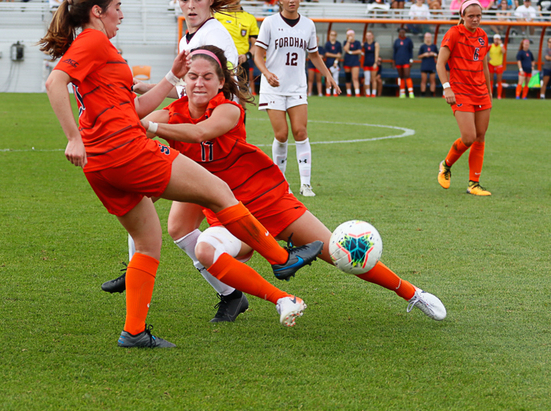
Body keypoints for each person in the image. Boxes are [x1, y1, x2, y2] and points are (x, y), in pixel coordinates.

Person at [44, 0, 322, 347]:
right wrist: (72, 137)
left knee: (147, 242)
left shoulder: (97, 47)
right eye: (117, 7)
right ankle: (280, 258)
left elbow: (134, 109)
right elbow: (54, 82)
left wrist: (173, 77)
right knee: (219, 191)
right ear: (98, 11)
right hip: (126, 151)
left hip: (101, 164)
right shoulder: (93, 41)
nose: (122, 14)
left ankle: (134, 333)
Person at [142, 46, 445, 326]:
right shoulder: (172, 113)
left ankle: (411, 292)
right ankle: (279, 299)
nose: (199, 83)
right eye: (192, 76)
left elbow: (199, 132)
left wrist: (151, 127)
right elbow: (133, 120)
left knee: (339, 252)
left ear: (221, 83)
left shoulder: (228, 110)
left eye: (208, 77)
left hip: (268, 200)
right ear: (183, 79)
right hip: (229, 212)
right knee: (205, 249)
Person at [253, 0, 340, 198]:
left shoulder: (308, 25)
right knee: (281, 135)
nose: (292, 0)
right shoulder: (269, 23)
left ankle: (306, 184)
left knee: (300, 132)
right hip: (273, 87)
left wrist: (328, 75)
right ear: (280, 0)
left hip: (297, 86)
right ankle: (281, 184)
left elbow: (313, 55)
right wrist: (266, 72)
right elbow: (257, 54)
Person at [436, 0, 492, 196]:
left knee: (480, 137)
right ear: (462, 16)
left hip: (481, 92)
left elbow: (484, 67)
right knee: (469, 137)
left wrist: (489, 92)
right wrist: (447, 88)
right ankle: (446, 164)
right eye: (471, 16)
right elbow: (440, 63)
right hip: (460, 91)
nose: (475, 19)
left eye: (478, 16)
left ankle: (474, 184)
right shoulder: (453, 33)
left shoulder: (483, 36)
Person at [392, 27, 415, 98]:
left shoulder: (408, 41)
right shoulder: (396, 41)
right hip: (399, 61)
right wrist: (394, 61)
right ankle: (402, 93)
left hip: (406, 60)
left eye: (403, 32)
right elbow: (394, 52)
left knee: (407, 75)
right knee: (401, 76)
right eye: (400, 32)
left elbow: (411, 51)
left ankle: (411, 92)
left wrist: (411, 60)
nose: (402, 33)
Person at [322, 29, 342, 96]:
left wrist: (336, 61)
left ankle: (335, 92)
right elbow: (327, 54)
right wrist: (336, 55)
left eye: (334, 35)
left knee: (335, 78)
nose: (332, 36)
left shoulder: (338, 44)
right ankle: (328, 91)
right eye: (331, 35)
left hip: (335, 64)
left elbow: (339, 55)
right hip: (328, 63)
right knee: (328, 78)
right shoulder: (327, 44)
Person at [342, 29, 361, 96]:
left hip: (355, 62)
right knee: (348, 77)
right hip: (347, 61)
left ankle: (357, 92)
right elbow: (345, 49)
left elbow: (359, 51)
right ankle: (349, 92)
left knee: (355, 78)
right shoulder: (345, 42)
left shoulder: (357, 42)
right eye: (349, 35)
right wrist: (349, 41)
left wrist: (351, 52)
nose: (350, 36)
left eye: (351, 35)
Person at [419, 32, 438, 97]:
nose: (428, 39)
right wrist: (424, 55)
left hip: (432, 65)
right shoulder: (422, 46)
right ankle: (423, 94)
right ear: (424, 38)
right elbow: (419, 56)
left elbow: (438, 55)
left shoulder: (434, 46)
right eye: (427, 37)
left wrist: (434, 54)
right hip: (424, 65)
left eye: (429, 37)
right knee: (423, 80)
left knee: (432, 80)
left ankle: (432, 94)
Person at [361, 30, 380, 97]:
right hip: (366, 63)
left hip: (373, 63)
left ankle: (374, 93)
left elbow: (376, 54)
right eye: (367, 36)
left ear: (372, 36)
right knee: (367, 78)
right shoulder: (364, 44)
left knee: (373, 79)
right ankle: (368, 93)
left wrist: (375, 62)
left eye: (369, 35)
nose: (368, 37)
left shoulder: (375, 44)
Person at [487, 34, 505, 99]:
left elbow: (503, 51)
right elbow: (484, 52)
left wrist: (501, 44)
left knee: (499, 80)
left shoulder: (501, 46)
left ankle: (499, 95)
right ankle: (490, 94)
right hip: (491, 64)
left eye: (498, 39)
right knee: (490, 80)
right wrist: (488, 58)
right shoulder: (491, 46)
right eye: (495, 39)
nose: (496, 40)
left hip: (499, 65)